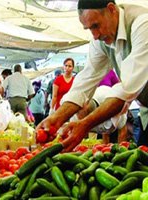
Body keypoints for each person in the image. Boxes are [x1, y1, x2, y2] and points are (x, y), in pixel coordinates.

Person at [37, 0, 148, 152]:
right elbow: (85, 81)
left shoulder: (143, 24)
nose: (95, 35)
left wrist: (85, 124)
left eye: (96, 26)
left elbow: (126, 88)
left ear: (111, 9)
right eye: (89, 29)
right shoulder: (100, 40)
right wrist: (56, 118)